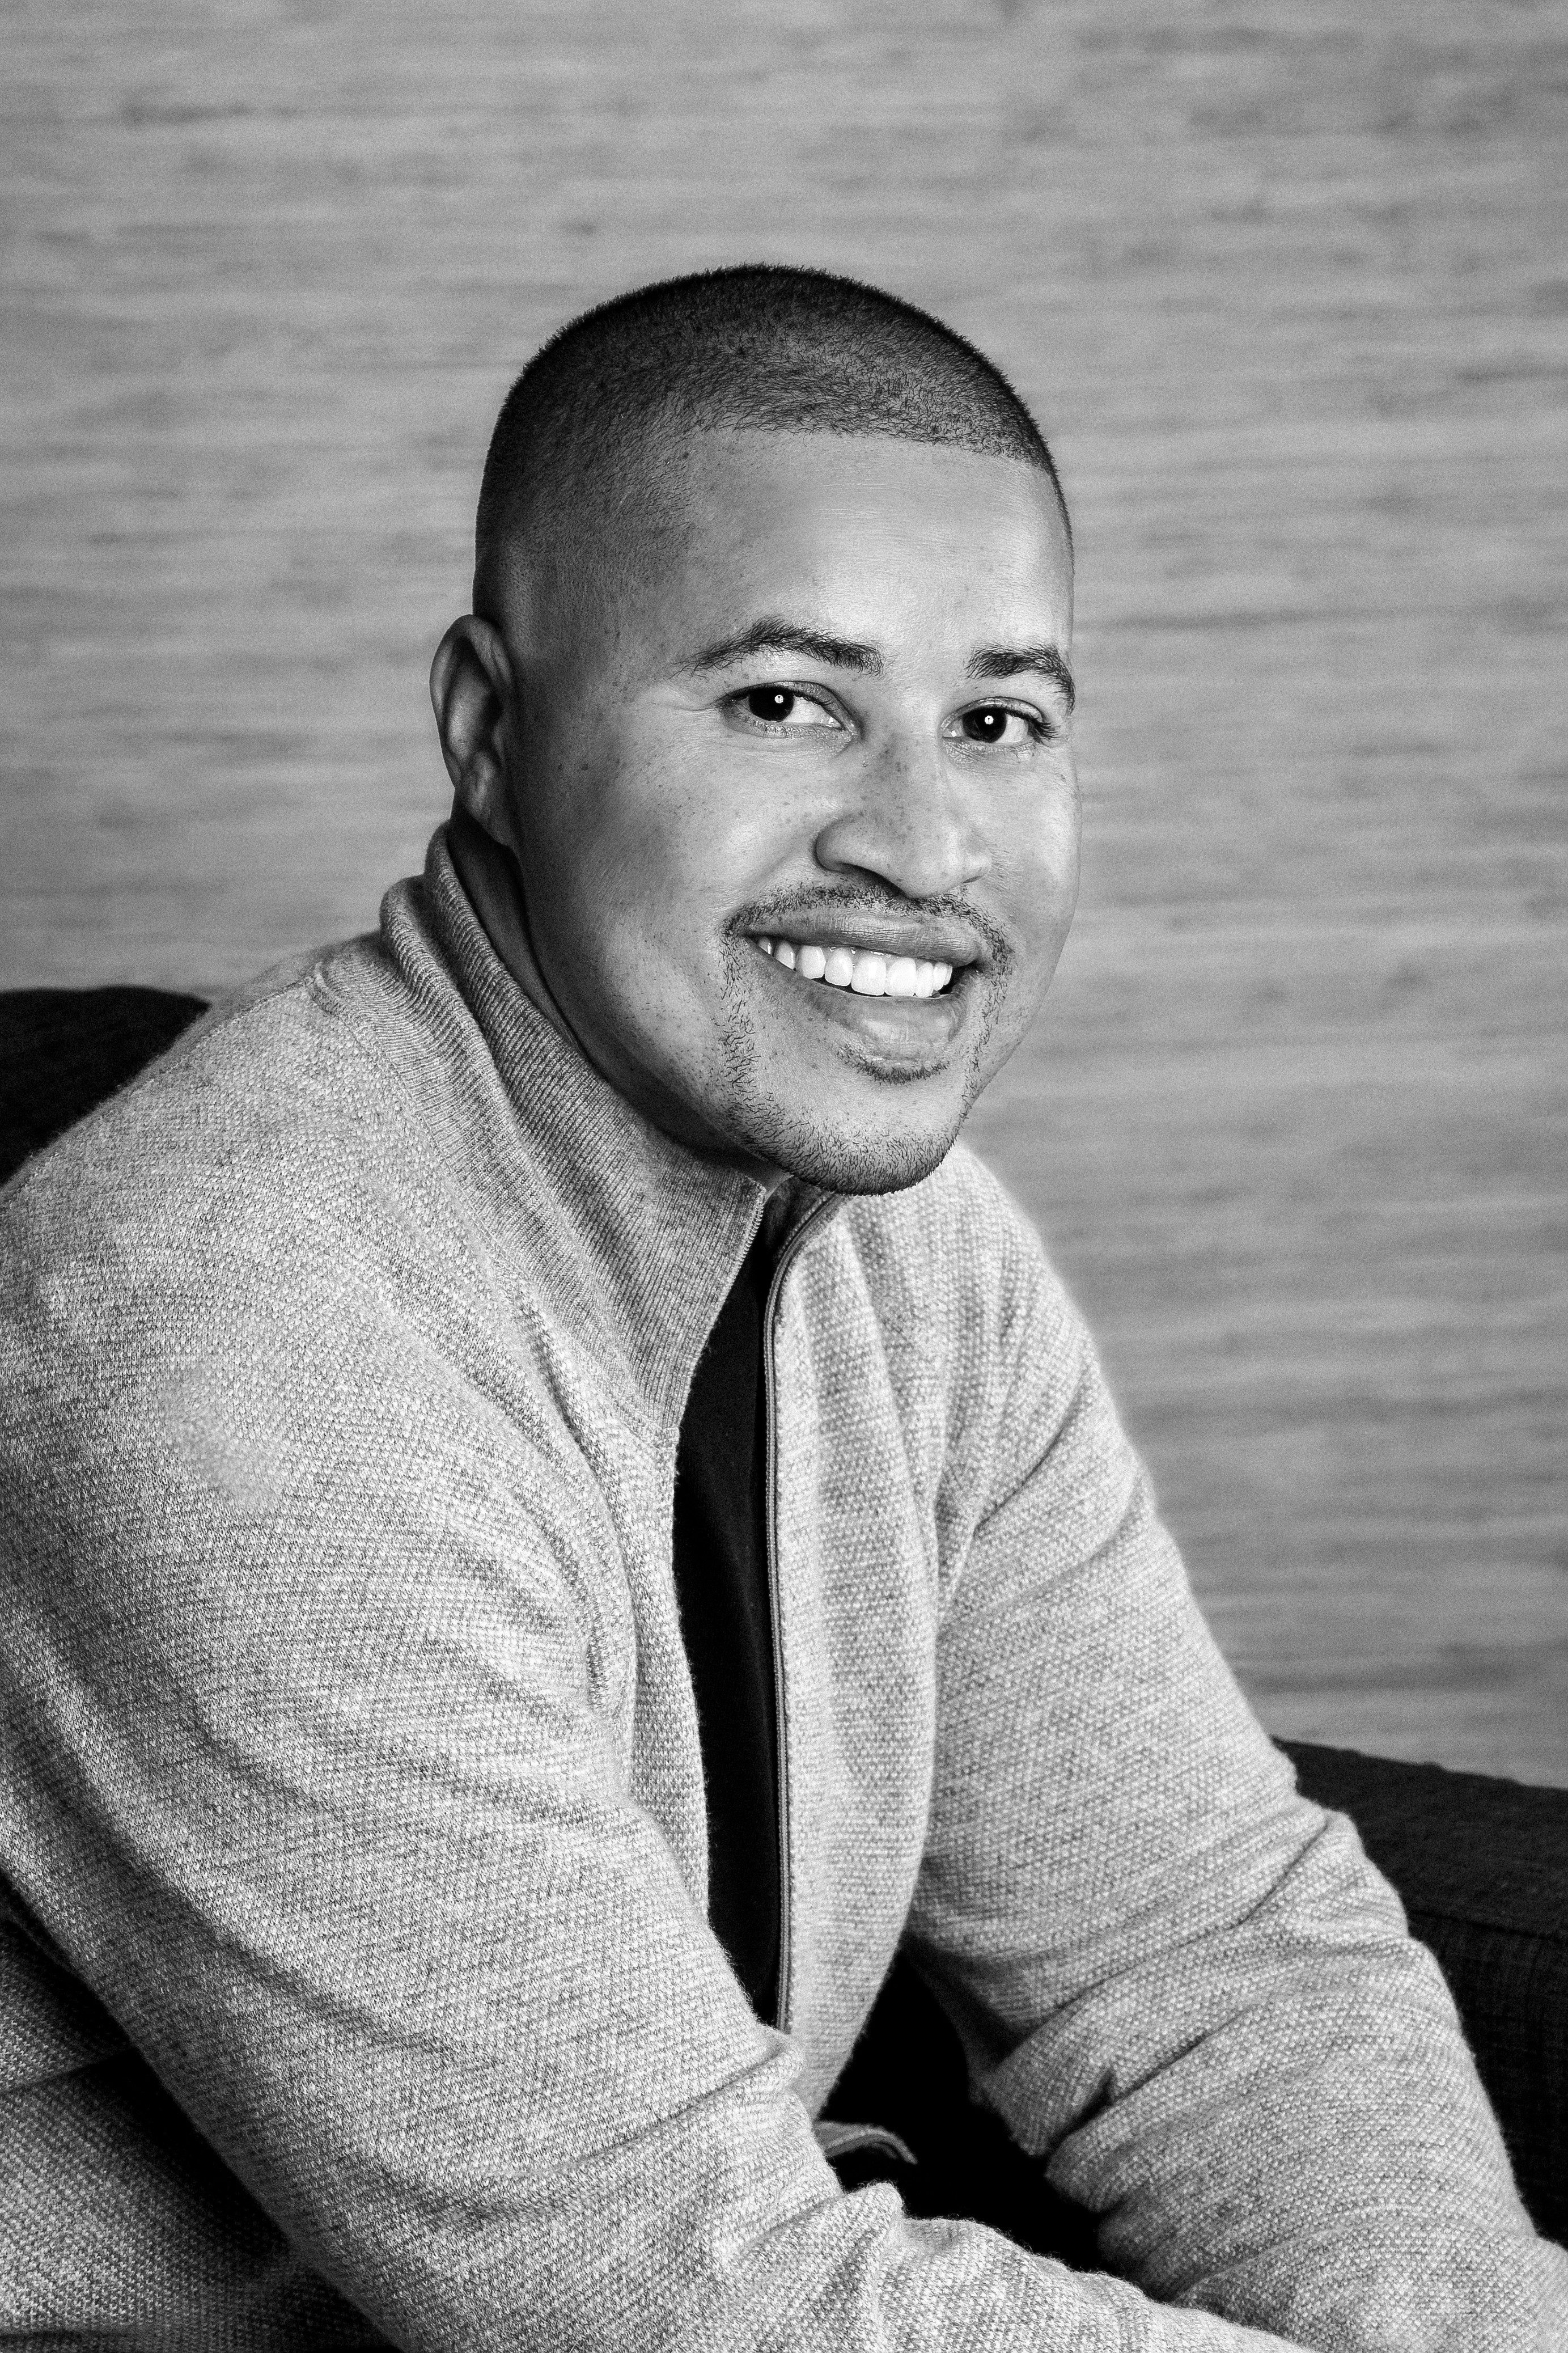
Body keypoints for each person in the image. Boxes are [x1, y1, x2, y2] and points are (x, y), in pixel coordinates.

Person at [0, 265, 1561, 2353]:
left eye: (997, 722)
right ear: (492, 729)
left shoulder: (913, 1240)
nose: (924, 845)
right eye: (784, 703)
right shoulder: (233, 1349)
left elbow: (1199, 1961)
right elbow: (685, 2308)